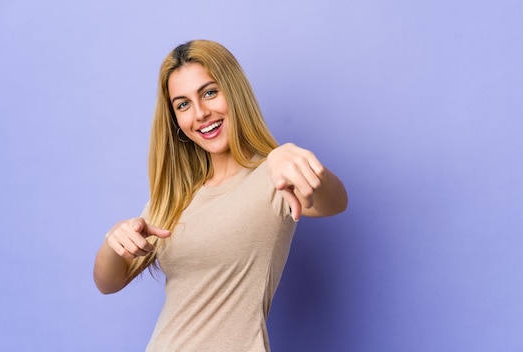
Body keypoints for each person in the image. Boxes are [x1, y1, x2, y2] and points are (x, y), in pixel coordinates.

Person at [93, 39, 347, 352]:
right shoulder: (175, 199)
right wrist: (113, 240)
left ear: (234, 91)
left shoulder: (274, 177)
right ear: (176, 121)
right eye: (183, 104)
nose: (200, 113)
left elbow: (336, 202)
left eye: (209, 92)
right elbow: (108, 283)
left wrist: (288, 155)